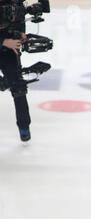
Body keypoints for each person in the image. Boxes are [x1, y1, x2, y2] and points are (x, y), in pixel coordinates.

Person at [0, 1, 32, 142]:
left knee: (18, 86)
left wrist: (21, 35)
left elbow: (19, 19)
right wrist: (3, 41)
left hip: (8, 50)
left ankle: (24, 126)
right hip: (5, 43)